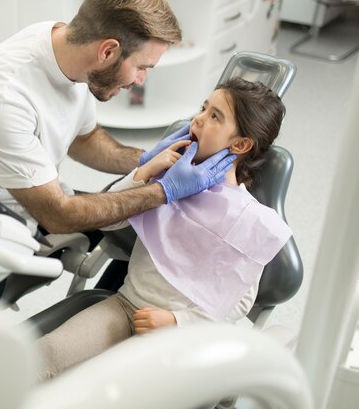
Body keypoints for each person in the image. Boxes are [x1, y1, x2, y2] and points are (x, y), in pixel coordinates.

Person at [0, 0, 235, 293]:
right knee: (145, 214)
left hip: (35, 197)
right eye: (142, 67)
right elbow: (58, 215)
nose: (140, 81)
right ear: (108, 50)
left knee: (143, 227)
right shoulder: (4, 96)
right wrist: (163, 191)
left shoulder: (69, 47)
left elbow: (85, 139)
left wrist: (149, 160)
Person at [35, 77, 293, 380]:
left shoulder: (250, 221)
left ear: (240, 144)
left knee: (100, 387)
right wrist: (144, 172)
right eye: (203, 108)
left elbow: (240, 301)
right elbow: (106, 219)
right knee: (41, 356)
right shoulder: (168, 180)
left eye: (214, 116)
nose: (197, 119)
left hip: (177, 339)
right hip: (123, 305)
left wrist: (177, 321)